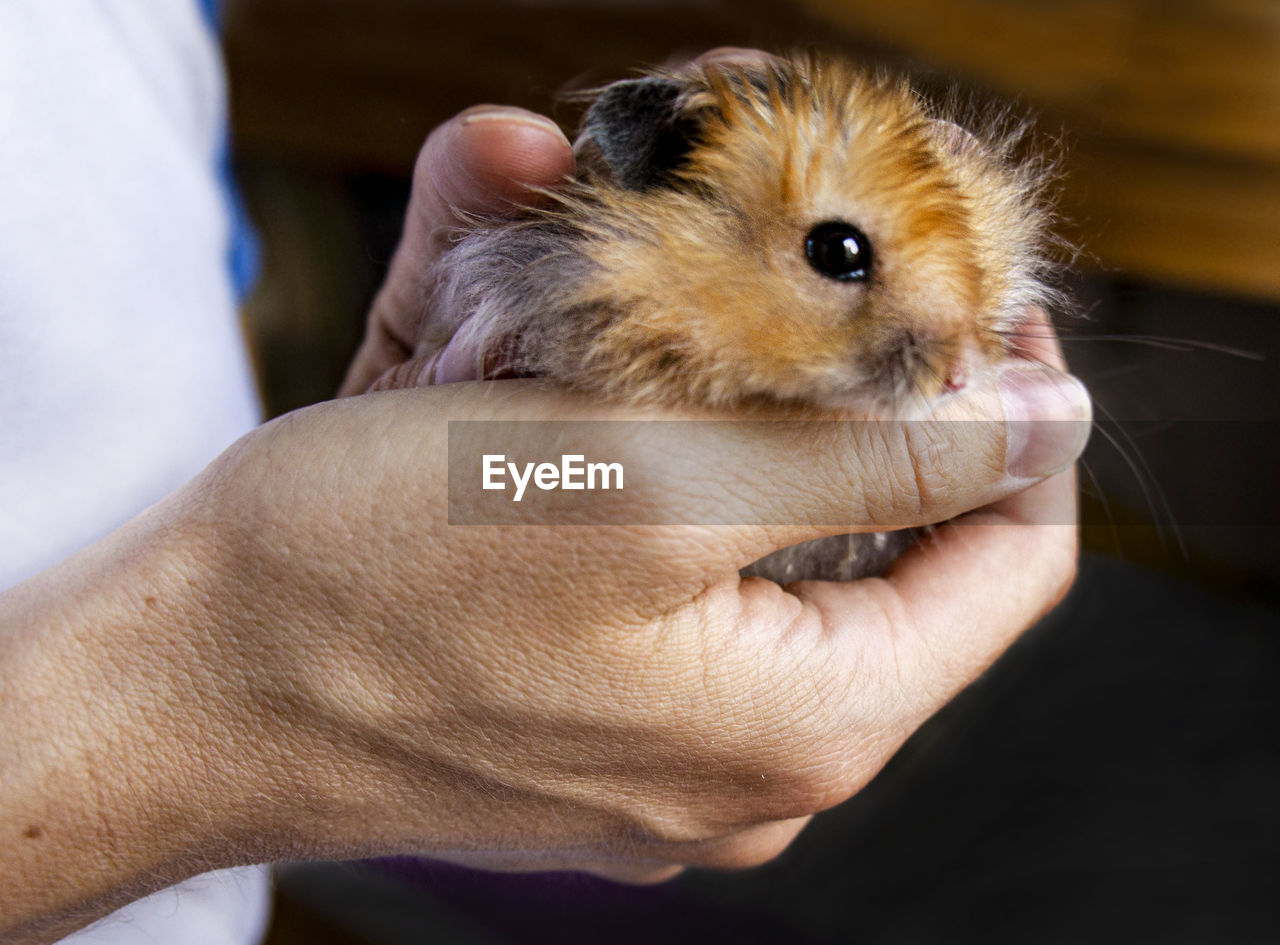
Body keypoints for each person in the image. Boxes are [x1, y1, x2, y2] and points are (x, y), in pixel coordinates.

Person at [0, 6, 1090, 945]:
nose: (948, 351)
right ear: (654, 176)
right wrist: (196, 704)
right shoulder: (580, 303)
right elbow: (503, 479)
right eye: (839, 260)